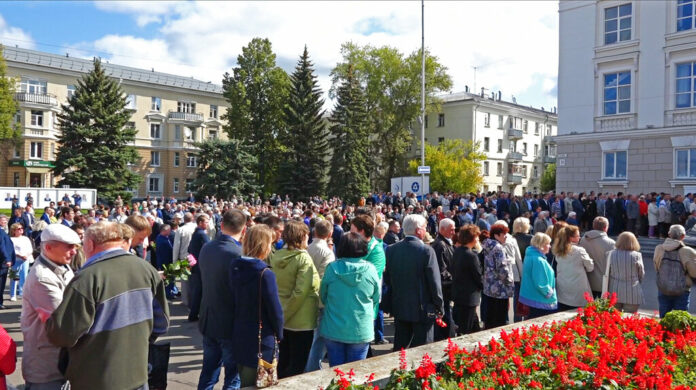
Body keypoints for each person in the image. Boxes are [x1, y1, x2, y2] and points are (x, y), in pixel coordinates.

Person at [46, 221, 169, 390]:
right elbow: (162, 323)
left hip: (96, 378)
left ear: (90, 244)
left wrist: (50, 322)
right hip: (138, 373)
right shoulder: (146, 269)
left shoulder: (86, 279)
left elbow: (63, 335)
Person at [21, 224, 79, 389]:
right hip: (46, 366)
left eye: (75, 247)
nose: (74, 251)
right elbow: (65, 319)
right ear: (48, 247)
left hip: (61, 360)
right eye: (69, 247)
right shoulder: (42, 277)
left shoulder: (61, 265)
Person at [229, 224, 283, 387]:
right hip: (262, 337)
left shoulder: (235, 266)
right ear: (264, 245)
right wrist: (279, 334)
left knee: (244, 382)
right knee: (262, 383)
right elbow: (275, 311)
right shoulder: (265, 274)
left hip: (240, 333)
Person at [197, 210, 246, 390]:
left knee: (209, 372)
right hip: (230, 324)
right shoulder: (239, 253)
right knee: (232, 378)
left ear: (222, 225)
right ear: (244, 228)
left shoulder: (207, 247)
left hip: (209, 318)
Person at [384, 214, 443, 351]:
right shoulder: (426, 250)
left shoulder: (392, 249)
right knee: (423, 351)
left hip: (400, 306)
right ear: (418, 230)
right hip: (422, 309)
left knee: (400, 349)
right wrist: (439, 306)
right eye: (424, 227)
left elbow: (388, 278)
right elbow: (434, 282)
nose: (426, 230)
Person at [319, 232, 380, 366]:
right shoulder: (371, 269)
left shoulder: (332, 268)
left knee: (336, 374)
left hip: (334, 326)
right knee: (355, 376)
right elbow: (376, 297)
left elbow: (323, 295)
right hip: (360, 328)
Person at [270, 220, 320, 378]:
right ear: (301, 236)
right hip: (301, 320)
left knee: (283, 362)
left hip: (282, 316)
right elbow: (300, 292)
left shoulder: (277, 255)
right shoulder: (303, 259)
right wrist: (286, 315)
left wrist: (281, 317)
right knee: (297, 366)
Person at [653, 224, 696, 318]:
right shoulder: (688, 251)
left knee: (664, 319)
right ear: (683, 236)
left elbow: (656, 267)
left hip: (663, 287)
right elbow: (694, 273)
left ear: (669, 234)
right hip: (682, 289)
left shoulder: (659, 248)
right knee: (679, 321)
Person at [450, 224, 483, 335]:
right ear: (472, 238)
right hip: (469, 298)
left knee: (474, 328)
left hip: (459, 295)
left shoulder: (457, 251)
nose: (478, 239)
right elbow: (478, 276)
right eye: (477, 236)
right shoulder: (471, 256)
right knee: (465, 331)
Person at [553, 225, 594, 310]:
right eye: (578, 235)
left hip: (562, 286)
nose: (579, 237)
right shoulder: (579, 250)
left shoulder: (558, 250)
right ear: (571, 238)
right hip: (578, 287)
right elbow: (590, 267)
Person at [482, 224, 514, 329]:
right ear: (496, 235)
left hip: (488, 287)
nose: (506, 236)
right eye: (504, 234)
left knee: (490, 317)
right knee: (499, 319)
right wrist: (509, 282)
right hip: (500, 289)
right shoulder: (498, 248)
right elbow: (502, 268)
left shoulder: (486, 245)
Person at [519, 233, 557, 319]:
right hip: (539, 300)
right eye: (548, 244)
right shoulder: (538, 260)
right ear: (541, 245)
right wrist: (549, 293)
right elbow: (540, 282)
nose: (550, 246)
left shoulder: (531, 255)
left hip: (532, 297)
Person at [605, 232, 644, 313]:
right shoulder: (637, 255)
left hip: (614, 289)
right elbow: (641, 273)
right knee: (630, 319)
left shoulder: (610, 254)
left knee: (613, 319)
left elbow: (607, 271)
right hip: (632, 290)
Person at [431, 218, 456, 340]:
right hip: (444, 288)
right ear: (442, 230)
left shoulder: (446, 243)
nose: (453, 232)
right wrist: (455, 279)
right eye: (451, 229)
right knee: (445, 316)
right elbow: (441, 270)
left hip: (447, 286)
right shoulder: (440, 245)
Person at [578, 217, 615, 298]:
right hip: (603, 282)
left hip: (586, 279)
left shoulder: (582, 240)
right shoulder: (611, 243)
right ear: (605, 227)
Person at [187, 213, 211, 322]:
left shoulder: (196, 233)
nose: (208, 224)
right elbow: (209, 248)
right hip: (200, 266)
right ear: (200, 223)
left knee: (197, 290)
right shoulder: (202, 234)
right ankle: (194, 314)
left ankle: (194, 313)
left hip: (195, 265)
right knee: (199, 290)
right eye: (206, 222)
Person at [9, 223, 32, 301]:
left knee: (24, 276)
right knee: (14, 277)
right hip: (16, 260)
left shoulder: (25, 238)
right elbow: (12, 250)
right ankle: (13, 294)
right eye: (19, 229)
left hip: (25, 260)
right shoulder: (12, 239)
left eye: (22, 228)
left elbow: (30, 248)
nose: (21, 230)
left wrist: (27, 255)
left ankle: (22, 293)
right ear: (14, 231)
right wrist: (20, 256)